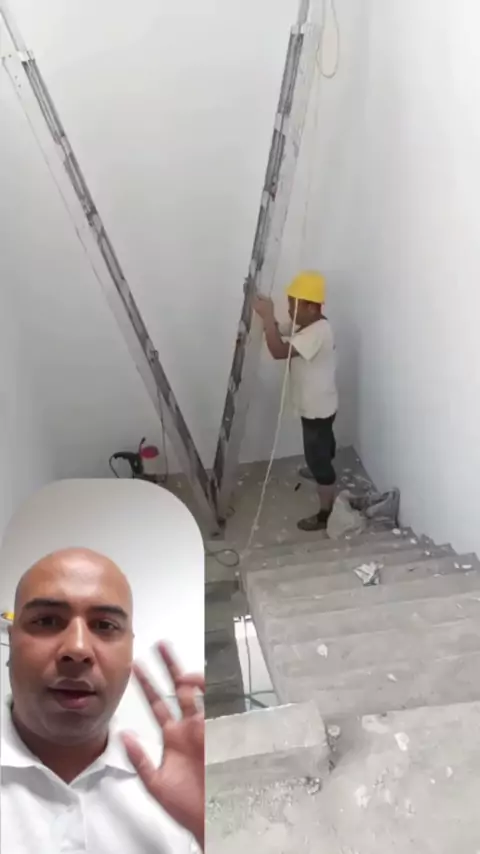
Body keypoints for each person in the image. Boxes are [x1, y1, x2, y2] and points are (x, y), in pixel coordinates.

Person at [1, 547, 204, 853]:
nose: (77, 648)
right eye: (47, 621)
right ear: (11, 640)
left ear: (129, 650)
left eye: (104, 625)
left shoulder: (181, 786)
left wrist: (206, 827)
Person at [253, 270, 338, 532]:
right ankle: (321, 466)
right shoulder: (308, 324)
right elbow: (280, 330)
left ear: (312, 308)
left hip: (316, 408)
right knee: (323, 442)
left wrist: (268, 316)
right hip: (320, 404)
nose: (290, 311)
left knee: (317, 454)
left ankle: (325, 513)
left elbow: (279, 351)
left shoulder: (318, 332)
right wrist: (268, 319)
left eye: (294, 306)